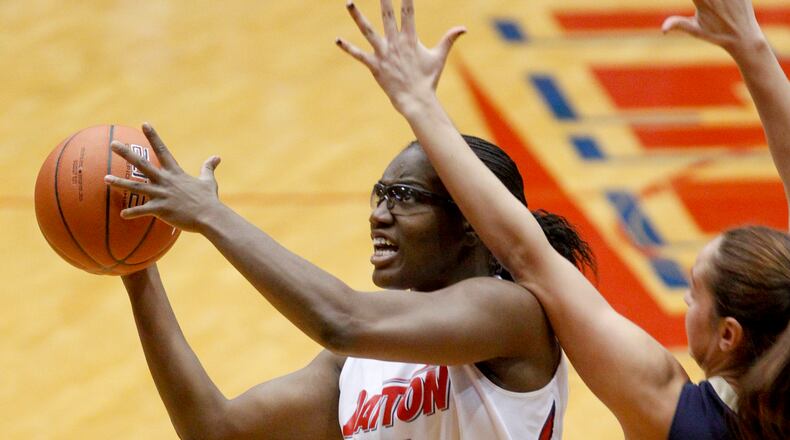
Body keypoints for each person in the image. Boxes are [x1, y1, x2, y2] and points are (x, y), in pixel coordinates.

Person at [335, 0, 790, 438]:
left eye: (694, 293)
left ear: (728, 335)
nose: (686, 304)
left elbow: (526, 252)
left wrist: (419, 103)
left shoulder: (677, 418)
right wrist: (749, 46)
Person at [106, 123, 594, 437]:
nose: (379, 215)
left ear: (471, 221)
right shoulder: (357, 362)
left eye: (403, 196)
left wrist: (210, 215)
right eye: (378, 195)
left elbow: (339, 318)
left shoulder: (511, 314)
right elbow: (214, 429)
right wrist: (134, 264)